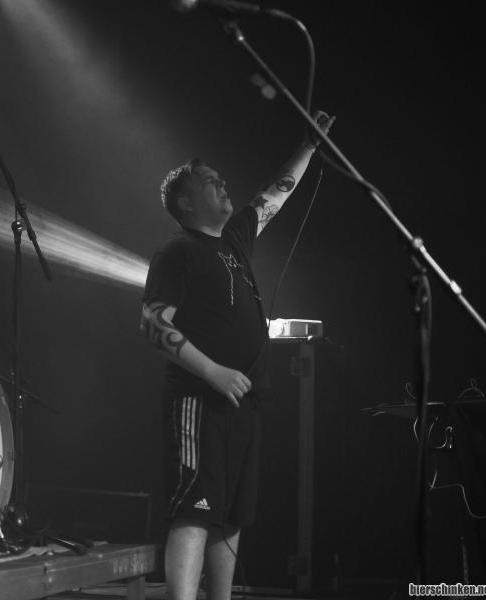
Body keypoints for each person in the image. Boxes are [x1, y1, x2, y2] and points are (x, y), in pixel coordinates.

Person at [140, 111, 335, 600]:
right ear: (186, 202)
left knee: (230, 515)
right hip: (198, 400)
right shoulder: (177, 252)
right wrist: (214, 373)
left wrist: (309, 145)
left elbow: (274, 195)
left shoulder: (234, 240)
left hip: (243, 404)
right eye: (210, 182)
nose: (223, 184)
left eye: (221, 179)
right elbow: (153, 323)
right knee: (194, 510)